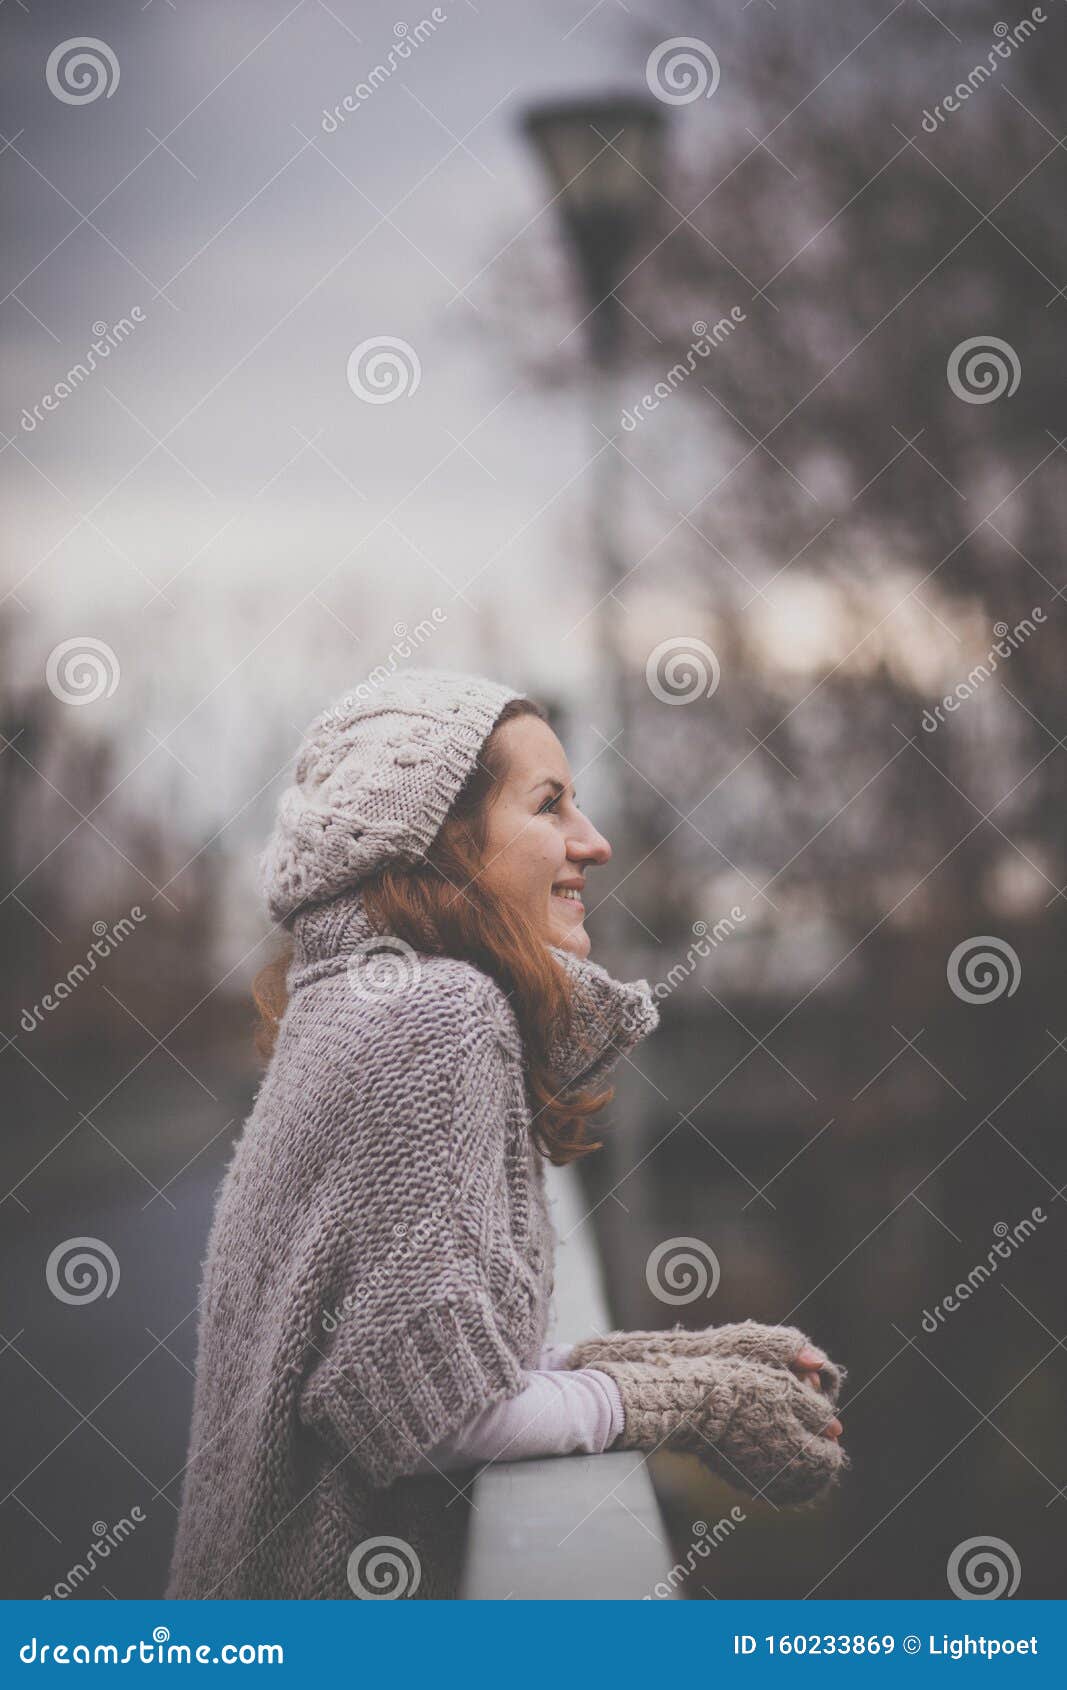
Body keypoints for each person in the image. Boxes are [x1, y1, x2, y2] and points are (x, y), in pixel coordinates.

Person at [165, 669, 845, 1601]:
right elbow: (426, 1413)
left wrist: (688, 1360)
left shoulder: (358, 999)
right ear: (442, 842)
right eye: (549, 805)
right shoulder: (434, 1011)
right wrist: (693, 1403)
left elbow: (435, 1353)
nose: (592, 842)